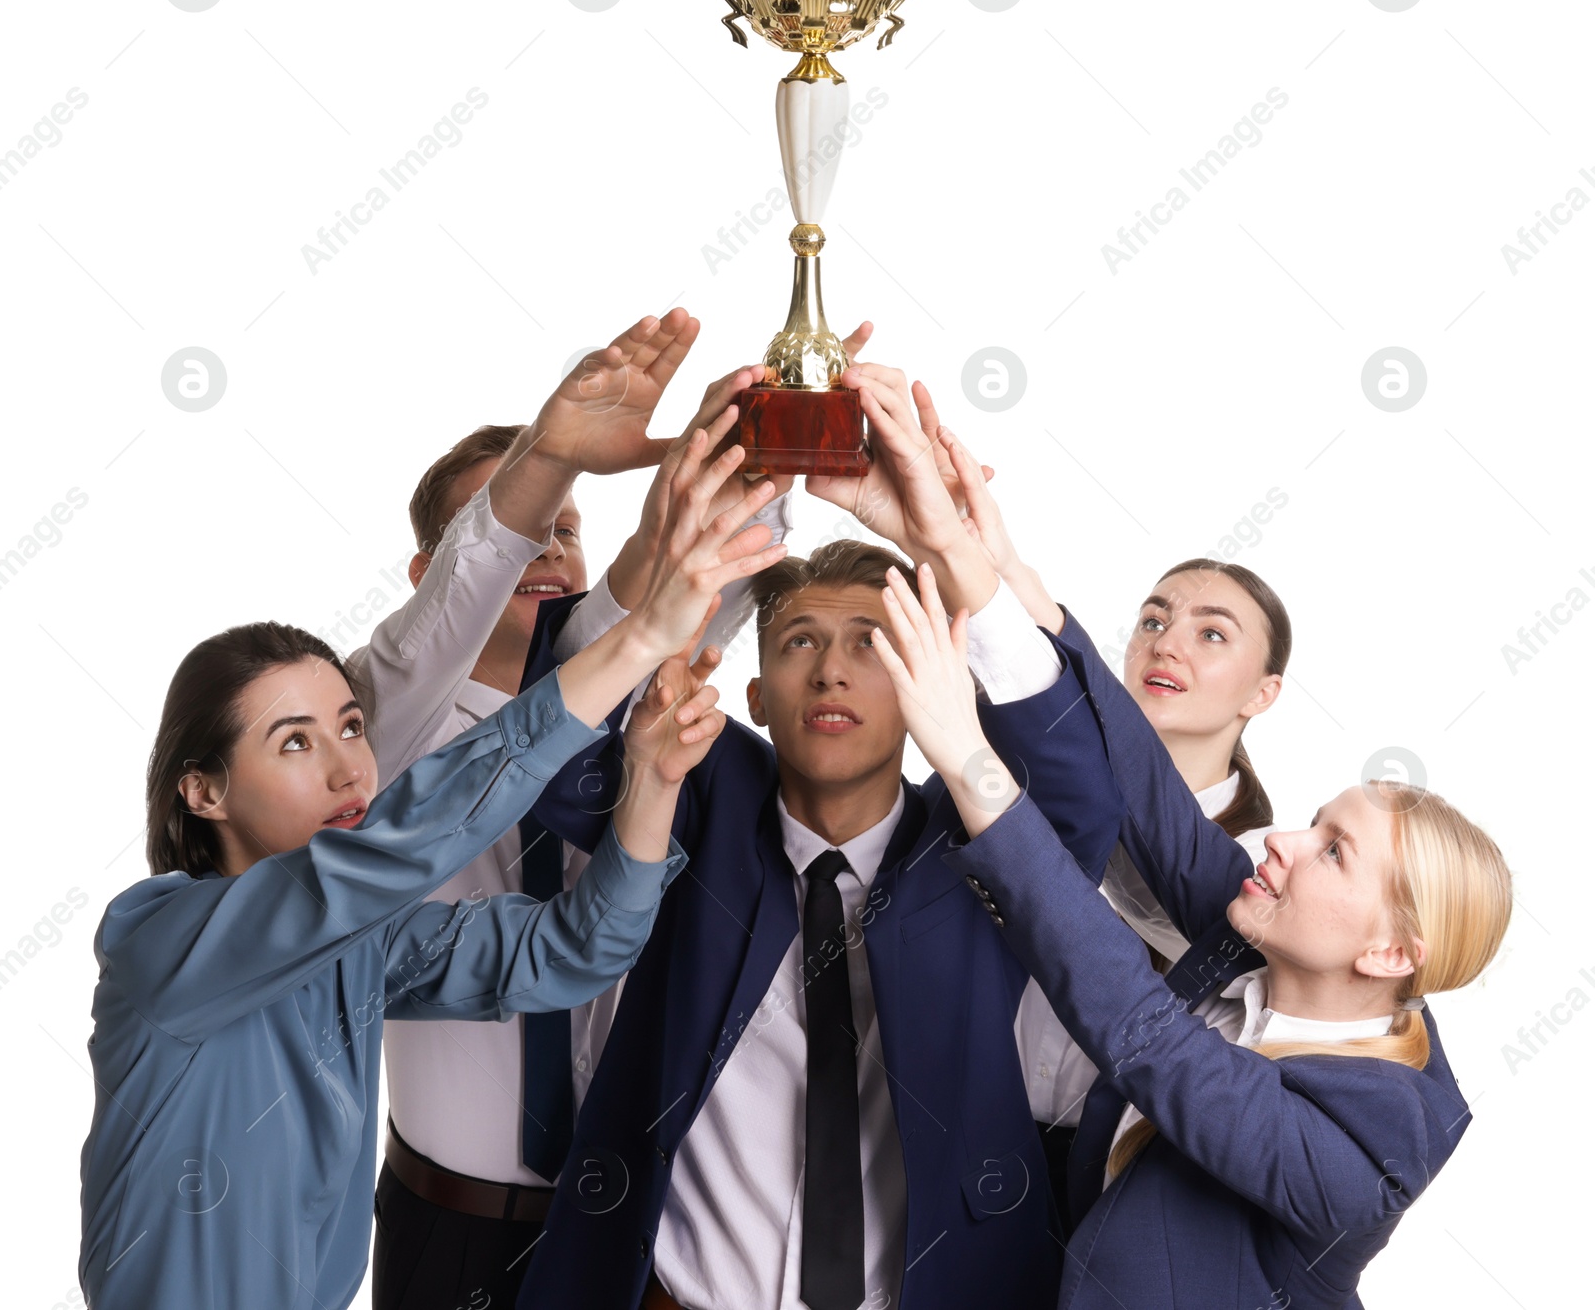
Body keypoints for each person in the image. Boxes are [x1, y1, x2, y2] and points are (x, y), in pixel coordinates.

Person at [76, 429, 786, 1310]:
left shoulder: (358, 950)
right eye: (293, 742)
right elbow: (396, 844)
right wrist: (637, 642)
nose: (348, 770)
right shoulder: (159, 938)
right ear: (202, 791)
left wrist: (650, 782)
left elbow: (570, 953)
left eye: (348, 728)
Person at [511, 363, 1127, 1310]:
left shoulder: (979, 846)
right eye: (800, 642)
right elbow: (553, 757)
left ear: (923, 673)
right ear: (758, 693)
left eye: (870, 644)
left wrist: (949, 547)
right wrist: (693, 533)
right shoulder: (699, 797)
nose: (832, 674)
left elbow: (1084, 802)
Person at [899, 439, 1514, 1308]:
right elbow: (1148, 788)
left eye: (1332, 850)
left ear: (1387, 953)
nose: (1281, 843)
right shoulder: (1268, 955)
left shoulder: (1368, 1154)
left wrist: (967, 757)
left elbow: (1135, 1023)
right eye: (1314, 825)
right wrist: (984, 560)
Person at [364, 309, 871, 1310]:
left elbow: (671, 594)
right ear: (432, 574)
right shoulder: (379, 723)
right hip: (449, 1222)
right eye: (519, 530)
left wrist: (776, 430)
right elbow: (442, 623)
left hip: (629, 1224)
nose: (548, 547)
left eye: (567, 527)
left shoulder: (630, 693)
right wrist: (547, 460)